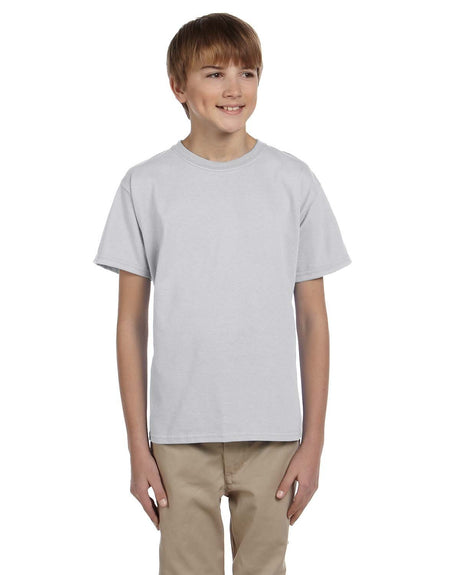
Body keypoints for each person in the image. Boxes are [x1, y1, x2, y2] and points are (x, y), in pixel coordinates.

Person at [93, 12, 352, 575]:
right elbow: (129, 325)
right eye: (214, 74)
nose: (234, 88)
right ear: (177, 86)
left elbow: (313, 320)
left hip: (274, 435)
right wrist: (137, 447)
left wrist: (313, 441)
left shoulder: (293, 181)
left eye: (247, 73)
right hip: (179, 435)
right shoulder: (145, 185)